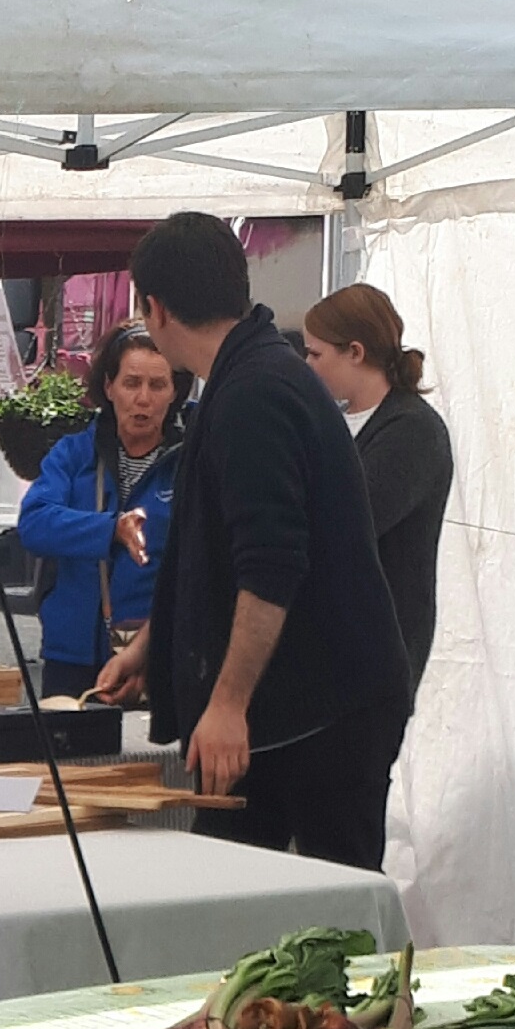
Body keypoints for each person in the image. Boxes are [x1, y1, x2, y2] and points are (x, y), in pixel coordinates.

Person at [95, 213, 409, 870]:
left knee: (330, 913)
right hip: (295, 710)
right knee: (233, 892)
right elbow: (212, 556)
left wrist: (227, 702)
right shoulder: (244, 380)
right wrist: (151, 647)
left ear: (153, 307)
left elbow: (270, 564)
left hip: (319, 715)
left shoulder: (254, 394)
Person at [13, 323, 182, 697]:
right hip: (69, 655)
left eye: (158, 385)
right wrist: (110, 529)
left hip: (154, 655)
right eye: (131, 383)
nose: (143, 399)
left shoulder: (189, 464)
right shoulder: (74, 453)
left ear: (174, 393)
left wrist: (151, 651)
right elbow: (34, 523)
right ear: (109, 388)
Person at [303, 282, 455, 695]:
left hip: (375, 653)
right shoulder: (333, 422)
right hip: (329, 647)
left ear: (355, 352)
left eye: (316, 354)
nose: (307, 364)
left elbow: (349, 523)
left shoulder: (412, 430)